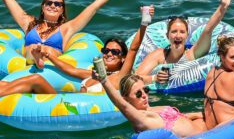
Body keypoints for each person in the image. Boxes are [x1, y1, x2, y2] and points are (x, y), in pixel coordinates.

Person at [0, 6, 152, 96]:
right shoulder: (95, 74)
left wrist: (145, 21)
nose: (109, 54)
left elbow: (133, 48)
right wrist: (49, 56)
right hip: (69, 103)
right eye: (106, 50)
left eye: (115, 52)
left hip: (78, 110)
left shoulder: (121, 76)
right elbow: (70, 69)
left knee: (36, 80)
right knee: (29, 80)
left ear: (123, 59)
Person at [0, 0, 133, 67]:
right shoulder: (29, 23)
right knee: (34, 49)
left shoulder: (66, 28)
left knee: (45, 51)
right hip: (27, 65)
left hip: (51, 67)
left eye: (58, 4)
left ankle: (40, 59)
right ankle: (35, 58)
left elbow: (94, 6)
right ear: (42, 6)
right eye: (49, 2)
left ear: (62, 10)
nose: (53, 5)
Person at [136, 0, 234, 85]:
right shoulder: (158, 55)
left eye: (182, 32)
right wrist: (154, 78)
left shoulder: (192, 55)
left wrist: (223, 6)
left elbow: (208, 29)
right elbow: (135, 78)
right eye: (174, 32)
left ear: (187, 35)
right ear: (167, 35)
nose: (178, 35)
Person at [100, 73, 206, 136]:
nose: (144, 95)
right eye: (138, 93)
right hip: (199, 137)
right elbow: (122, 105)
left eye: (145, 90)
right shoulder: (141, 116)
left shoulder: (151, 109)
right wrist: (104, 81)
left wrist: (197, 114)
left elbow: (178, 118)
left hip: (202, 128)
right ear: (126, 99)